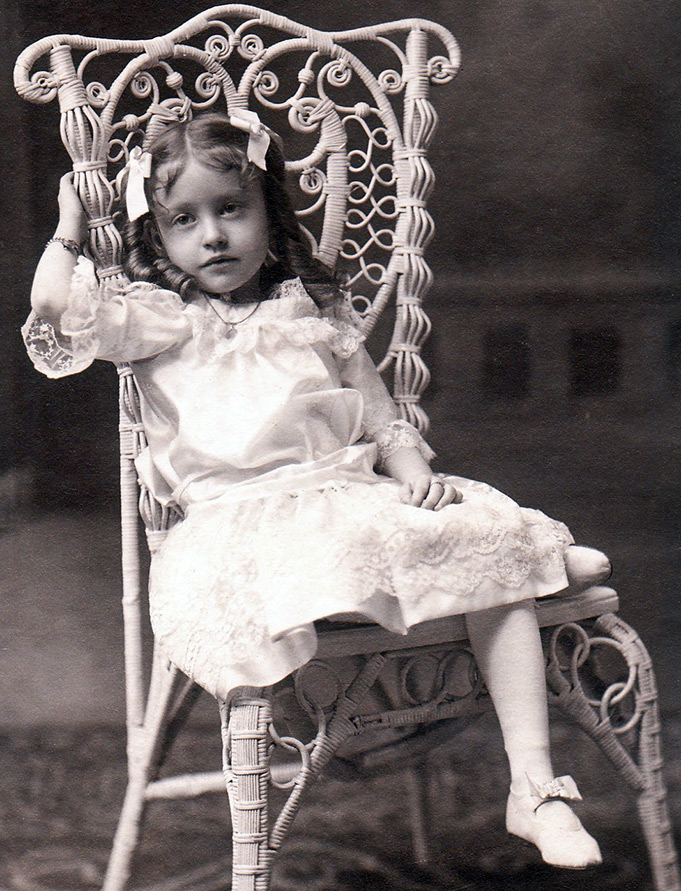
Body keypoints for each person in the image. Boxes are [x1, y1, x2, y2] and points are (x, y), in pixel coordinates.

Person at [25, 110, 611, 869]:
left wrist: (411, 469)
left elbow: (376, 411)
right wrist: (70, 229)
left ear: (268, 212)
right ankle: (516, 568)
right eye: (183, 220)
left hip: (340, 493)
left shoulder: (308, 309)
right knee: (374, 555)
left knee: (459, 526)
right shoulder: (157, 320)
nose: (212, 236)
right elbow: (52, 306)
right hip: (238, 519)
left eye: (230, 209)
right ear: (158, 236)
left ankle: (533, 787)